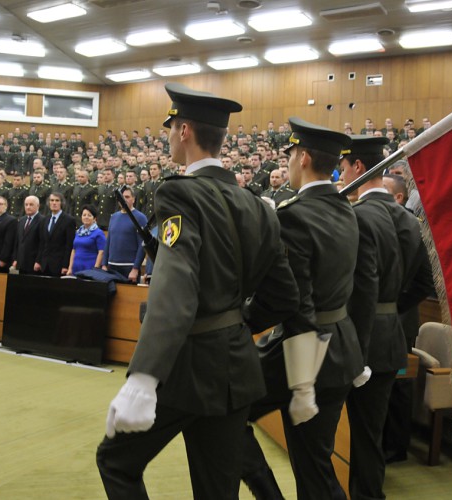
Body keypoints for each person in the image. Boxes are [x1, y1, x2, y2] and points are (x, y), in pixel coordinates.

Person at [97, 83, 300, 499]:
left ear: (185, 130)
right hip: (236, 367)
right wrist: (236, 323)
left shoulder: (178, 193)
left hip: (186, 366)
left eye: (171, 126)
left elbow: (176, 285)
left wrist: (144, 376)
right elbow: (284, 295)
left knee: (116, 461)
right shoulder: (259, 208)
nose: (169, 134)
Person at [241, 117, 362, 500]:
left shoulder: (293, 215)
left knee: (223, 410)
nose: (289, 163)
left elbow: (293, 302)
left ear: (304, 156)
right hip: (341, 349)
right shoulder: (346, 210)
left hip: (304, 353)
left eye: (291, 155)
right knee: (315, 467)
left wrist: (242, 322)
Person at [339, 136, 408, 500]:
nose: (341, 172)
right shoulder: (406, 218)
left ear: (358, 168)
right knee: (370, 438)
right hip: (391, 334)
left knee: (358, 438)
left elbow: (359, 290)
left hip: (359, 342)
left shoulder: (357, 216)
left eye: (344, 167)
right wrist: (391, 310)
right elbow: (422, 282)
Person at [102, 187, 147, 282]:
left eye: (127, 197)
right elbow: (108, 242)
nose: (124, 199)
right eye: (122, 197)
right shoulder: (114, 217)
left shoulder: (140, 218)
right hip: (112, 266)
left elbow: (142, 245)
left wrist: (135, 268)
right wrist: (104, 264)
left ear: (133, 199)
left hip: (129, 267)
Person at [35, 192, 76, 276]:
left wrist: (65, 265)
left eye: (57, 200)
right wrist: (38, 261)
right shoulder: (44, 220)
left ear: (61, 203)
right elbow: (42, 243)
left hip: (59, 265)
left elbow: (69, 245)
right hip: (44, 264)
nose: (54, 203)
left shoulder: (69, 220)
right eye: (52, 200)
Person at [67, 205, 106, 275]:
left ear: (94, 219)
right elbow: (74, 250)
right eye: (84, 215)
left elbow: (101, 252)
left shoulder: (98, 233)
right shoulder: (78, 232)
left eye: (89, 215)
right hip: (76, 268)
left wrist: (95, 269)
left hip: (90, 268)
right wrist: (70, 268)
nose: (86, 217)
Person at [12, 196, 44, 274]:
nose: (28, 207)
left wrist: (38, 261)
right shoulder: (22, 220)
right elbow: (17, 241)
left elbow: (42, 244)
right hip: (21, 262)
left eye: (31, 205)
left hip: (34, 263)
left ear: (38, 206)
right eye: (26, 205)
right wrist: (15, 258)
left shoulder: (43, 221)